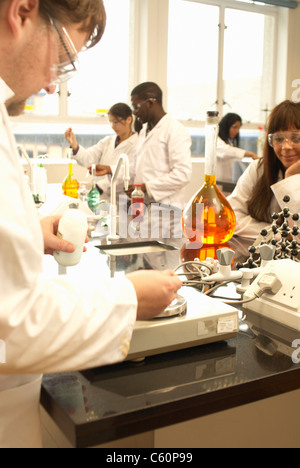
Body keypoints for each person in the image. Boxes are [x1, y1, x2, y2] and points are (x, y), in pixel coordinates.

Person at [0, 0, 182, 448]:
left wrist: (25, 233)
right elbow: (14, 324)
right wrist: (127, 297)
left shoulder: (167, 130)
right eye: (63, 59)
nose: (50, 85)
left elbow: (173, 175)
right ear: (21, 12)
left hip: (161, 215)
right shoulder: (123, 137)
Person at [228, 100, 300, 239]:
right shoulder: (259, 169)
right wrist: (279, 235)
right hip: (257, 256)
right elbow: (231, 218)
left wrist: (291, 178)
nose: (286, 147)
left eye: (296, 138)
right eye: (279, 139)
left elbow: (297, 236)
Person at [129, 82, 192, 210]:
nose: (134, 112)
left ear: (150, 103)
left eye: (136, 106)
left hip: (167, 209)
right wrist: (110, 170)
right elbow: (138, 167)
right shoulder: (144, 131)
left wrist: (146, 187)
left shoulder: (175, 130)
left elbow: (183, 174)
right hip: (144, 206)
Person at [64, 103, 138, 199]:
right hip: (102, 198)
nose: (113, 126)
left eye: (116, 122)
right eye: (111, 122)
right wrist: (74, 145)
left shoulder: (137, 144)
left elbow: (129, 173)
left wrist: (96, 187)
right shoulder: (107, 141)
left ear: (128, 119)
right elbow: (88, 158)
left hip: (122, 200)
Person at [217, 113, 258, 181]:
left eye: (238, 128)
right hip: (219, 181)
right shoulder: (216, 141)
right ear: (226, 126)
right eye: (234, 127)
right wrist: (250, 154)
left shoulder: (230, 142)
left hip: (229, 181)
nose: (237, 131)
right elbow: (226, 151)